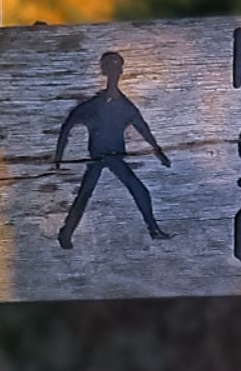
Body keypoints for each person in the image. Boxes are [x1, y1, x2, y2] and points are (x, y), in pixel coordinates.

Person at [53, 51, 171, 249]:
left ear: (121, 70)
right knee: (84, 195)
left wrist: (158, 151)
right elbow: (68, 125)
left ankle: (153, 229)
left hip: (115, 157)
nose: (115, 70)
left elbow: (143, 128)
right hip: (98, 157)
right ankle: (66, 233)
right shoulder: (94, 105)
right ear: (104, 70)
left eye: (118, 66)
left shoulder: (125, 106)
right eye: (111, 66)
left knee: (139, 189)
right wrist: (57, 157)